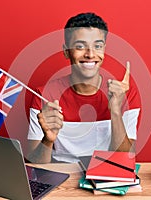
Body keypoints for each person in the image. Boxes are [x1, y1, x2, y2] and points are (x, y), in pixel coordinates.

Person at [27, 12, 141, 163]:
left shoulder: (126, 94)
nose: (90, 54)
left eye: (97, 46)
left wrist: (115, 111)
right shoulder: (44, 95)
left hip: (105, 178)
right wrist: (47, 140)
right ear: (66, 51)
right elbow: (34, 164)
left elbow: (124, 161)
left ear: (104, 49)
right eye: (80, 46)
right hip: (61, 179)